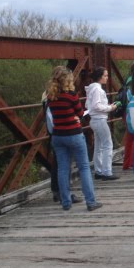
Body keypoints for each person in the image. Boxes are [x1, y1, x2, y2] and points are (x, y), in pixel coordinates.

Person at [46, 66, 102, 212]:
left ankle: (66, 202)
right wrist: (77, 116)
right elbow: (80, 112)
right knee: (84, 167)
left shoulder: (50, 96)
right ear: (68, 80)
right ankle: (90, 202)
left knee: (63, 169)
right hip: (73, 134)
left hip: (58, 136)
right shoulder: (71, 95)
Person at [41, 91, 81, 205]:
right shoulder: (57, 97)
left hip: (55, 133)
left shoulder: (48, 96)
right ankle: (63, 193)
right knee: (63, 165)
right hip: (61, 132)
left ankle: (57, 191)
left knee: (58, 164)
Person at [85, 67, 119, 181]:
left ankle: (99, 170)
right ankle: (107, 172)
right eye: (105, 75)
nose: (107, 78)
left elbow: (88, 105)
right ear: (100, 77)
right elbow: (96, 106)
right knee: (107, 145)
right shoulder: (98, 90)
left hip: (94, 119)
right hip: (99, 119)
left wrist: (106, 106)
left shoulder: (91, 89)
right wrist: (110, 107)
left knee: (99, 146)